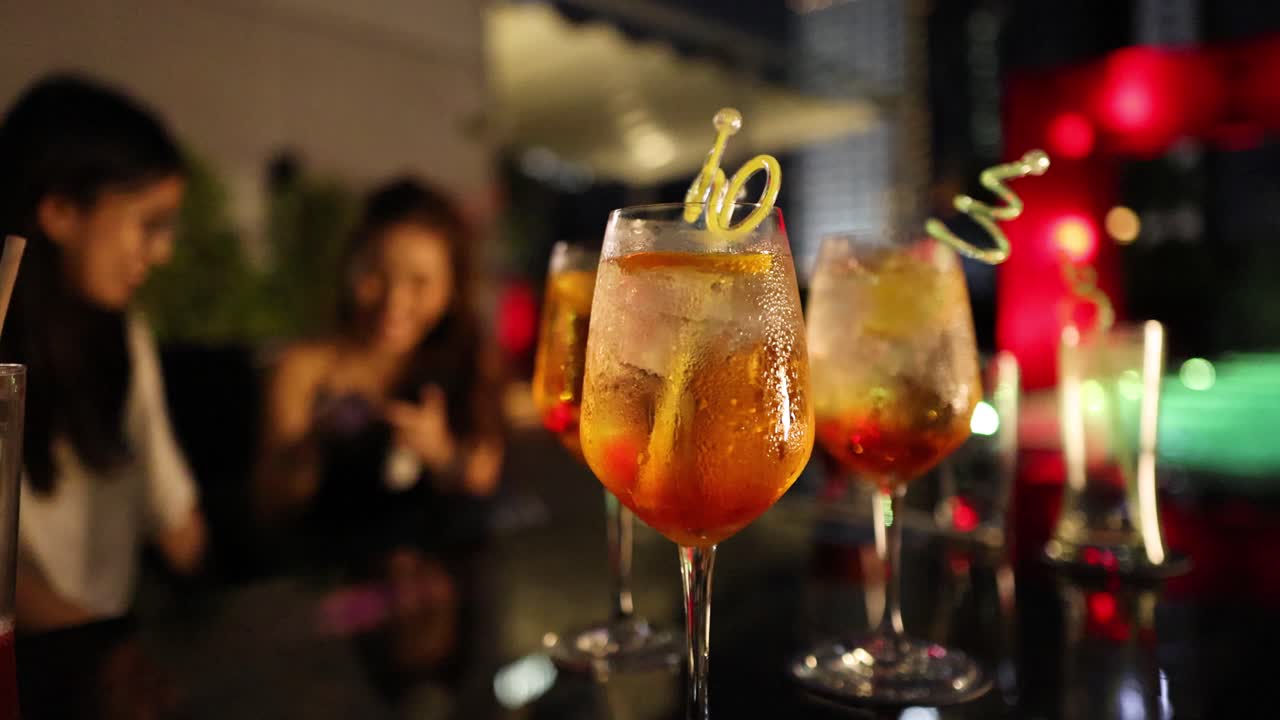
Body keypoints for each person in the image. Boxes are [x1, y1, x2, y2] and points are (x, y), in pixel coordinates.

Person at [0, 74, 205, 634]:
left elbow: (177, 523)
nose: (160, 253)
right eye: (149, 226)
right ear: (61, 211)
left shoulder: (124, 340)